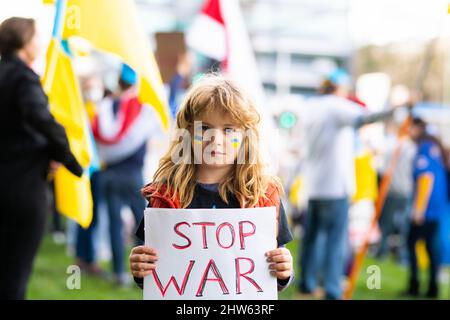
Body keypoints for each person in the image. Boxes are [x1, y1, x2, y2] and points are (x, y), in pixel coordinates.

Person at [129, 74, 294, 291]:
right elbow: (154, 271)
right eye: (205, 128)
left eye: (229, 129)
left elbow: (272, 269)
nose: (215, 139)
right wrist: (140, 268)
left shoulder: (263, 195)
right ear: (187, 132)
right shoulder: (164, 194)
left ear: (247, 136)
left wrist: (284, 272)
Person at [296, 68, 404, 299]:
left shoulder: (310, 107)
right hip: (335, 187)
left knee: (311, 239)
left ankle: (307, 283)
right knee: (335, 241)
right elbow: (365, 117)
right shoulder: (336, 106)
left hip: (313, 186)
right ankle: (332, 289)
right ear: (339, 87)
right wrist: (396, 108)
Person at [0, 17, 83, 299]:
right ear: (24, 41)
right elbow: (41, 120)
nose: (41, 42)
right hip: (22, 189)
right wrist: (69, 159)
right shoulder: (23, 78)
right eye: (37, 36)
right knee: (15, 275)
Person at [90, 64, 159, 285]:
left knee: (114, 223)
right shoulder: (143, 109)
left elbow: (100, 137)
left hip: (109, 173)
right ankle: (144, 271)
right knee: (142, 225)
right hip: (132, 176)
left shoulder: (106, 106)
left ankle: (119, 272)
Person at [405, 117, 449, 298]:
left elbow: (426, 179)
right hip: (438, 206)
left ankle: (416, 286)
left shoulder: (424, 148)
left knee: (413, 244)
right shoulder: (434, 147)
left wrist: (419, 209)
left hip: (428, 207)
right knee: (432, 248)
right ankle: (432, 288)